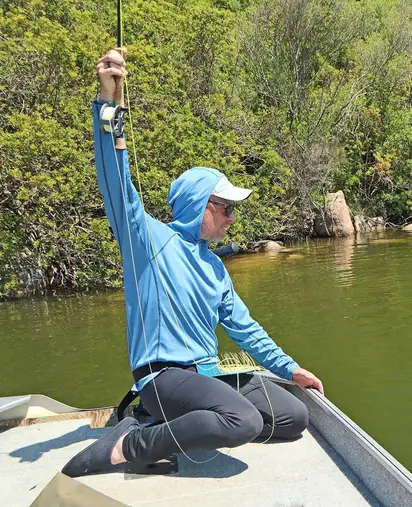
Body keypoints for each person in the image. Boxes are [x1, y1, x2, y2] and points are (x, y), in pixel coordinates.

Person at [62, 48, 324, 478]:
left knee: (293, 417)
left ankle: (179, 426)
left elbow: (245, 328)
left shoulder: (216, 267)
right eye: (224, 207)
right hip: (162, 380)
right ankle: (131, 444)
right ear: (198, 205)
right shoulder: (147, 240)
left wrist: (288, 368)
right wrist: (109, 106)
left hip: (206, 378)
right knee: (245, 420)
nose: (231, 217)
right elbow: (116, 185)